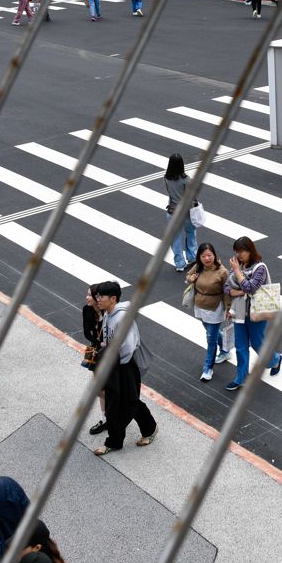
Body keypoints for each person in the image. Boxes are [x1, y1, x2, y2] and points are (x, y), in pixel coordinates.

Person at [91, 279, 162, 443]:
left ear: (113, 298)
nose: (98, 299)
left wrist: (114, 364)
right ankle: (118, 439)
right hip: (116, 363)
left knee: (128, 401)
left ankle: (147, 430)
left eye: (102, 296)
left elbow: (128, 347)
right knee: (120, 400)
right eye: (97, 296)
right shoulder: (109, 313)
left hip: (124, 364)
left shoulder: (121, 317)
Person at [185, 243, 233, 383]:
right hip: (200, 305)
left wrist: (229, 308)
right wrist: (191, 279)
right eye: (203, 256)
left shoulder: (222, 271)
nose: (207, 258)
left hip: (215, 308)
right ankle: (225, 350)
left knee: (210, 339)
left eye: (209, 255)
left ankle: (208, 368)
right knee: (210, 331)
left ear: (215, 255)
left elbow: (227, 292)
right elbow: (189, 275)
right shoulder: (198, 267)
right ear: (199, 257)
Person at [163, 153, 198, 272]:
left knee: (176, 239)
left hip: (172, 211)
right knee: (191, 234)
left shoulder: (166, 178)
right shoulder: (186, 180)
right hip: (186, 212)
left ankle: (179, 263)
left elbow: (170, 193)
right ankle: (192, 257)